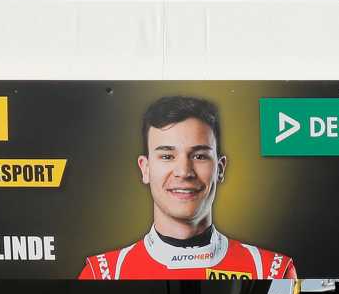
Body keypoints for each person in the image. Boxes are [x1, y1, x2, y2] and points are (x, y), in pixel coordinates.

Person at [79, 94, 297, 281]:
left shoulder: (271, 271)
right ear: (145, 169)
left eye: (200, 155)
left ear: (220, 168)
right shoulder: (103, 273)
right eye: (167, 156)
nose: (183, 171)